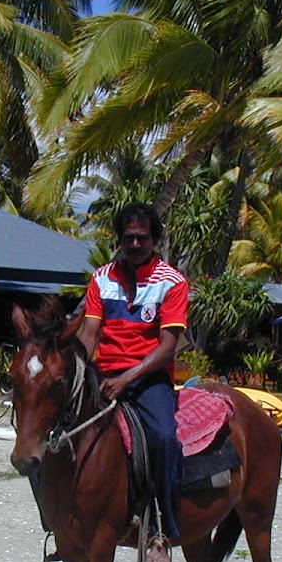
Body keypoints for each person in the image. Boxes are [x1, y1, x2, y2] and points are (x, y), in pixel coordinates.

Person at [77, 202, 188, 542]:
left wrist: (126, 378)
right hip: (103, 373)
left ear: (154, 239)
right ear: (119, 239)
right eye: (129, 238)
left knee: (165, 437)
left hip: (149, 378)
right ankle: (60, 523)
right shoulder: (101, 277)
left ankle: (162, 526)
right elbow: (89, 333)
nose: (135, 245)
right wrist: (78, 371)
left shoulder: (172, 282)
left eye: (142, 238)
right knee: (51, 433)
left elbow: (168, 346)